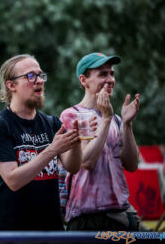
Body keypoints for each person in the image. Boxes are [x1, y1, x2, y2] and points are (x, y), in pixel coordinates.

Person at [0, 54, 82, 231]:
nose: (39, 81)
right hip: (11, 232)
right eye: (31, 76)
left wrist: (76, 141)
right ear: (11, 85)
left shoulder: (52, 123)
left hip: (50, 229)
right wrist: (51, 151)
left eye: (41, 75)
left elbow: (73, 166)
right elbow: (13, 180)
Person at [59, 52, 142, 231]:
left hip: (121, 213)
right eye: (103, 74)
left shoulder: (116, 119)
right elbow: (86, 162)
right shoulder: (72, 115)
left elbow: (131, 164)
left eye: (112, 73)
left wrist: (127, 124)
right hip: (88, 217)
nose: (110, 79)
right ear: (84, 80)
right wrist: (105, 119)